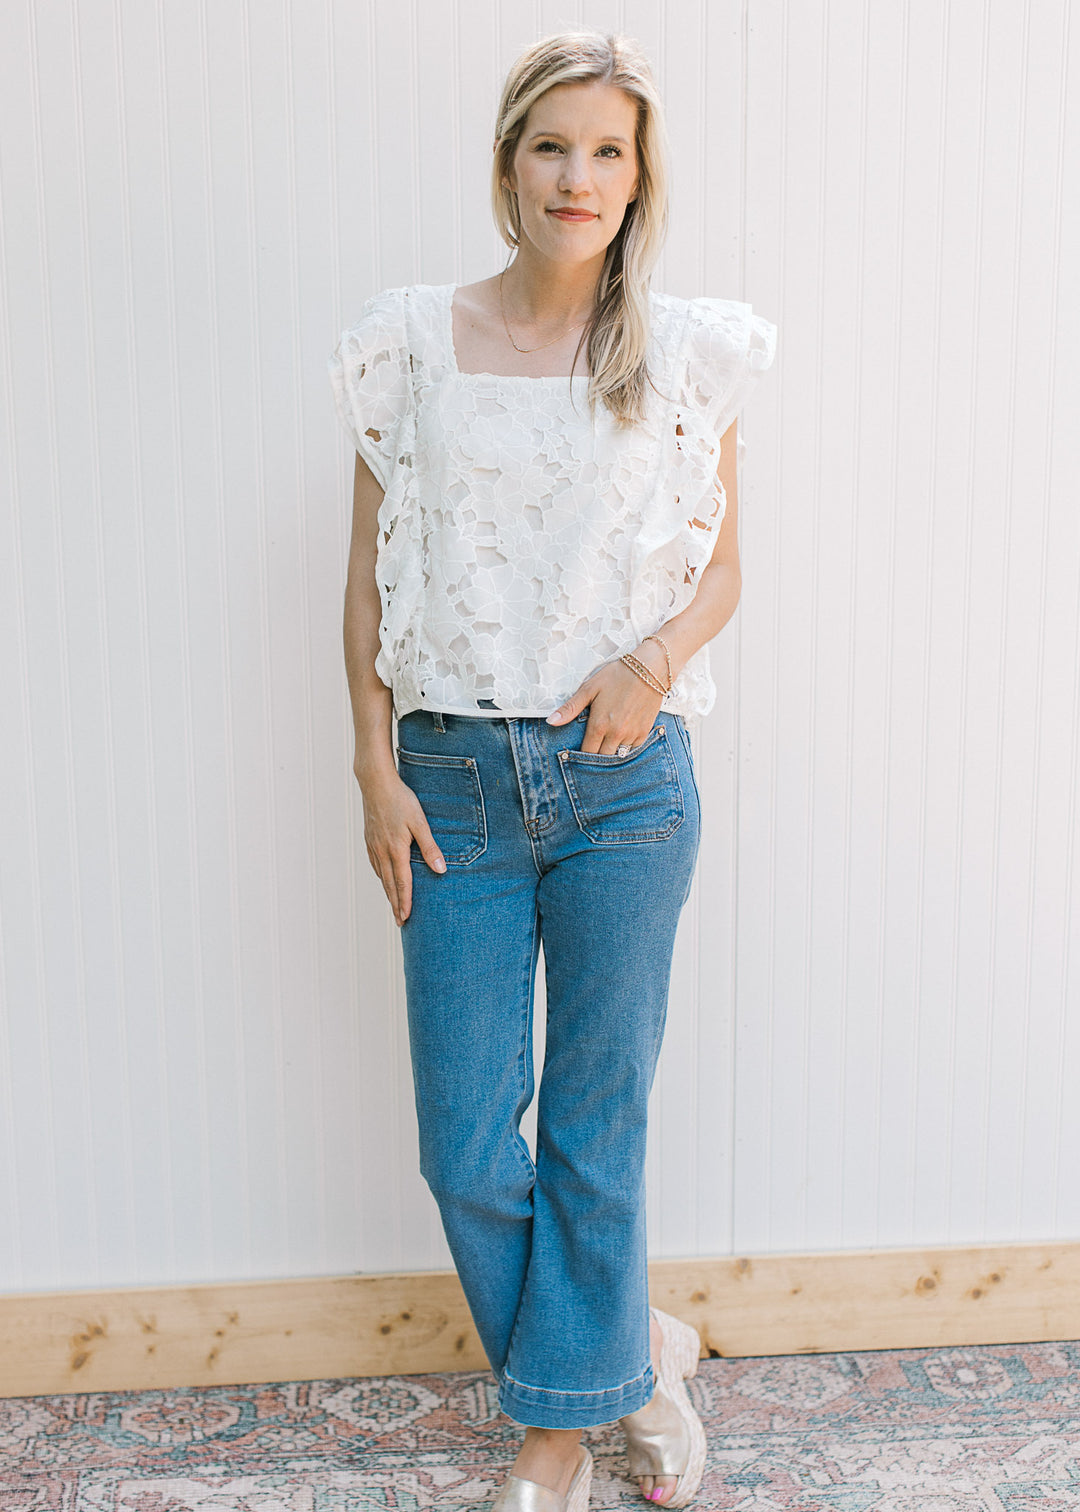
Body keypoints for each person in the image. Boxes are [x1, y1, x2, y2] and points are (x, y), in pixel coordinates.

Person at [330, 29, 775, 1512]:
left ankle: (555, 1441)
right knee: (463, 1140)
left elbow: (723, 578)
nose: (578, 176)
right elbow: (366, 580)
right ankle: (631, 1352)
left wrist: (645, 672)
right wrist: (369, 766)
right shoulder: (412, 342)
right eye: (551, 146)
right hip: (447, 781)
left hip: (620, 788)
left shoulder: (683, 352)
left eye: (608, 150)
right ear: (508, 162)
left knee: (598, 1120)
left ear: (640, 177)